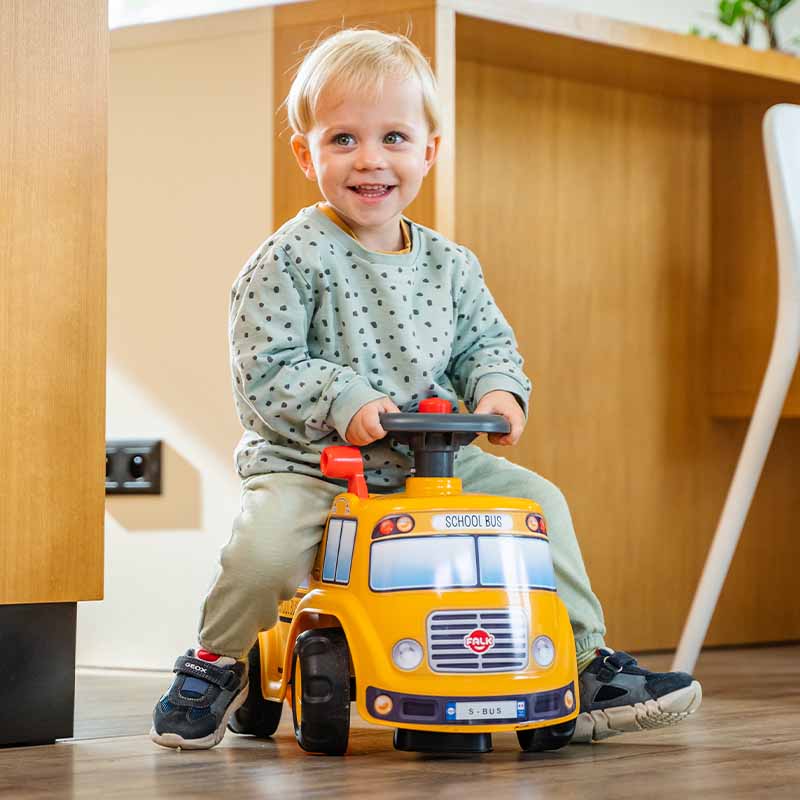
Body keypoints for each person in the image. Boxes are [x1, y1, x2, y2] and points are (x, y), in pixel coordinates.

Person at [150, 28, 702, 751]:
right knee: (264, 552)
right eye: (343, 138)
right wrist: (346, 400)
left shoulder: (451, 264)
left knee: (540, 505)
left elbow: (485, 344)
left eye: (395, 137)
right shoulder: (290, 258)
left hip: (434, 463)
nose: (371, 158)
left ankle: (584, 660)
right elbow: (266, 367)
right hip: (313, 465)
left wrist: (500, 393)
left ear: (428, 153)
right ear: (305, 152)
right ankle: (215, 664)